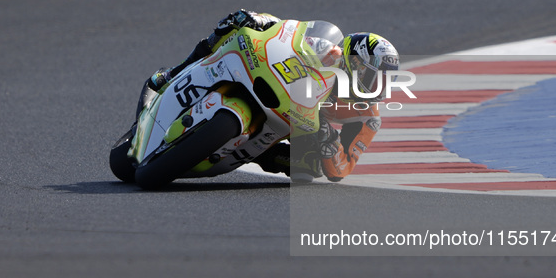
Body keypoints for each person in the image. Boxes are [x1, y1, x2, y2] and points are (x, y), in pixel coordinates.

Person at [137, 10, 399, 182]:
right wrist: (259, 20)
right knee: (232, 25)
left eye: (384, 82)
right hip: (285, 89)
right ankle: (176, 72)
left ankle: (256, 152)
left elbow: (341, 169)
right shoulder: (329, 51)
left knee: (311, 168)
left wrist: (329, 140)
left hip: (303, 125)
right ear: (355, 62)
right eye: (372, 78)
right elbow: (288, 31)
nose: (376, 88)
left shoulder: (367, 117)